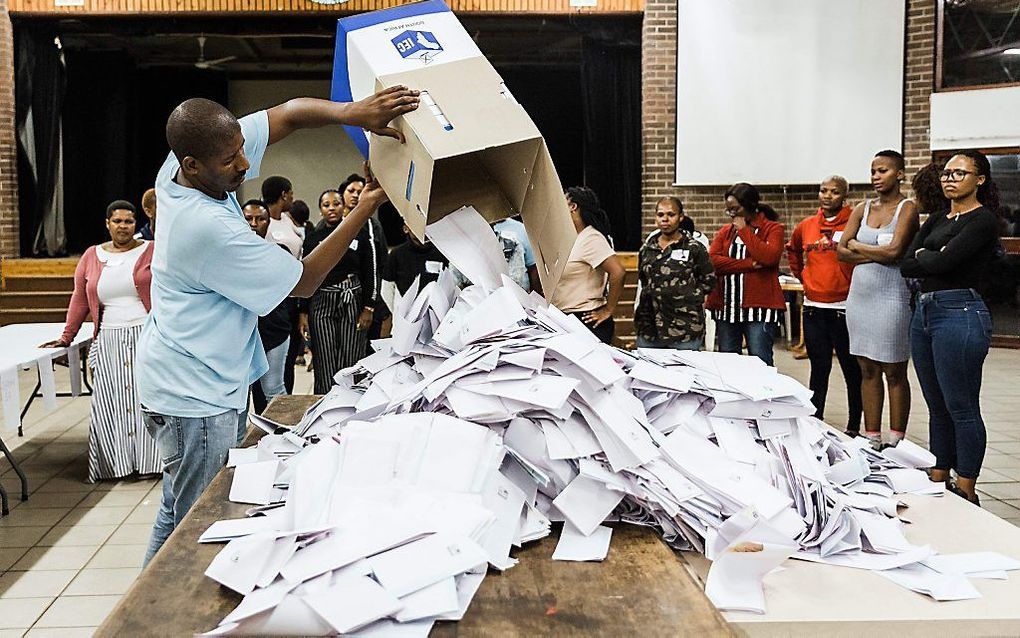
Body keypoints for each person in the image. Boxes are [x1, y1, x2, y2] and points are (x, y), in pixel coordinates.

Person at [137, 87, 418, 564]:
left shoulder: (183, 166)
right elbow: (304, 281)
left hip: (178, 371)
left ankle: (141, 614)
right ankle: (162, 616)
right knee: (196, 520)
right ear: (192, 165)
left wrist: (350, 113)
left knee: (176, 507)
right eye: (231, 160)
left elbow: (286, 114)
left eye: (241, 150)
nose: (245, 165)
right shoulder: (206, 228)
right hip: (197, 394)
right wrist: (364, 208)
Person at [900, 151, 1000, 505]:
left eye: (960, 173)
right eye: (946, 173)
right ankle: (939, 472)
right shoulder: (939, 217)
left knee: (961, 404)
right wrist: (933, 255)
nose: (950, 179)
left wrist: (932, 255)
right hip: (924, 311)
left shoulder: (984, 220)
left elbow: (943, 260)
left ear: (980, 179)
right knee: (936, 403)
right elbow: (906, 264)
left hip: (960, 311)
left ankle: (967, 485)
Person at [42, 200, 159, 483]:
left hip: (146, 335)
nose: (123, 226)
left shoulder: (151, 250)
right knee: (111, 404)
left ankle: (151, 463)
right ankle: (115, 465)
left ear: (136, 224)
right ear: (107, 223)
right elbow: (80, 298)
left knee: (147, 399)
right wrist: (66, 336)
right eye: (117, 221)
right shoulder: (91, 256)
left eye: (129, 221)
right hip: (107, 338)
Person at [838, 150, 919, 449]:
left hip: (892, 297)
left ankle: (897, 442)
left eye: (882, 170)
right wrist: (873, 253)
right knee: (867, 369)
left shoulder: (907, 208)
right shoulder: (862, 208)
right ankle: (871, 438)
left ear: (899, 174)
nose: (875, 177)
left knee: (894, 370)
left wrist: (858, 246)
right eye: (873, 171)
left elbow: (895, 252)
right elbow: (840, 253)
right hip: (860, 297)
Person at [786, 176, 863, 435]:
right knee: (819, 369)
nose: (827, 196)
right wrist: (803, 278)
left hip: (844, 306)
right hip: (814, 306)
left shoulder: (855, 222)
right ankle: (814, 422)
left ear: (844, 196)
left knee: (852, 370)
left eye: (834, 192)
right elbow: (793, 250)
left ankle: (854, 426)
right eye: (823, 191)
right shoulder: (807, 225)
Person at [300, 182, 380, 394]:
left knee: (352, 356)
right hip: (321, 302)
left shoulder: (359, 234)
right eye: (326, 205)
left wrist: (369, 307)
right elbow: (303, 276)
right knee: (324, 356)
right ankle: (324, 403)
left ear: (344, 205)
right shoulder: (313, 239)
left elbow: (371, 271)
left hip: (352, 299)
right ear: (321, 210)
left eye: (336, 203)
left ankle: (351, 402)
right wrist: (303, 312)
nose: (331, 208)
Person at [707, 183, 785, 366]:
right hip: (728, 308)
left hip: (759, 308)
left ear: (750, 205)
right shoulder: (726, 232)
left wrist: (744, 231)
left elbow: (768, 257)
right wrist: (749, 264)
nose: (732, 214)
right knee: (728, 363)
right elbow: (713, 262)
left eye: (735, 209)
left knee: (760, 361)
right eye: (729, 210)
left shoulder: (772, 229)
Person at [634, 196, 715, 350]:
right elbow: (644, 281)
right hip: (649, 328)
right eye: (660, 215)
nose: (665, 219)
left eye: (671, 215)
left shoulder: (694, 248)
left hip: (685, 328)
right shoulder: (646, 249)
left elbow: (708, 282)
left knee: (683, 373)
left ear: (680, 217)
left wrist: (686, 296)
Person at [550, 186, 626, 345]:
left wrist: (608, 309)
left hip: (585, 320)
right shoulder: (570, 238)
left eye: (562, 201)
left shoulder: (591, 238)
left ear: (573, 206)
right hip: (563, 319)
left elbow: (618, 271)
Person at [242, 199, 293, 413]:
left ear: (268, 222)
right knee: (240, 394)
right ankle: (237, 444)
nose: (254, 223)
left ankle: (283, 441)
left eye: (260, 219)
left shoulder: (280, 252)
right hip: (239, 333)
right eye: (248, 219)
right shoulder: (229, 255)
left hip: (274, 330)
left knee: (273, 388)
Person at [381, 223, 449, 312]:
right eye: (417, 226)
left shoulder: (442, 253)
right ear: (406, 229)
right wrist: (397, 312)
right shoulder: (397, 254)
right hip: (406, 313)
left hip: (436, 312)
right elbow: (387, 288)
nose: (422, 230)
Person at [492, 215, 543, 294]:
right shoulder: (479, 229)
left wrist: (536, 297)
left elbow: (533, 268)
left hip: (522, 296)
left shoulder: (520, 228)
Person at [261, 175, 303, 259]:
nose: (292, 199)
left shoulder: (286, 218)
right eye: (291, 194)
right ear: (284, 195)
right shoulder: (263, 223)